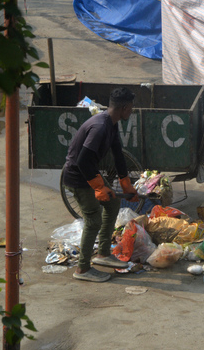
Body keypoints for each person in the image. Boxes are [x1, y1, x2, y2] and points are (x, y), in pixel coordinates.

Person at [62, 87, 139, 282]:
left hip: (89, 171)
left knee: (113, 203)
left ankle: (103, 254)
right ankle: (83, 269)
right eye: (130, 108)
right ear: (123, 108)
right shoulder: (100, 127)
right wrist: (98, 187)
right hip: (78, 177)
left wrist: (126, 183)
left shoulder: (111, 123)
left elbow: (118, 153)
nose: (131, 111)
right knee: (93, 220)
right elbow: (83, 161)